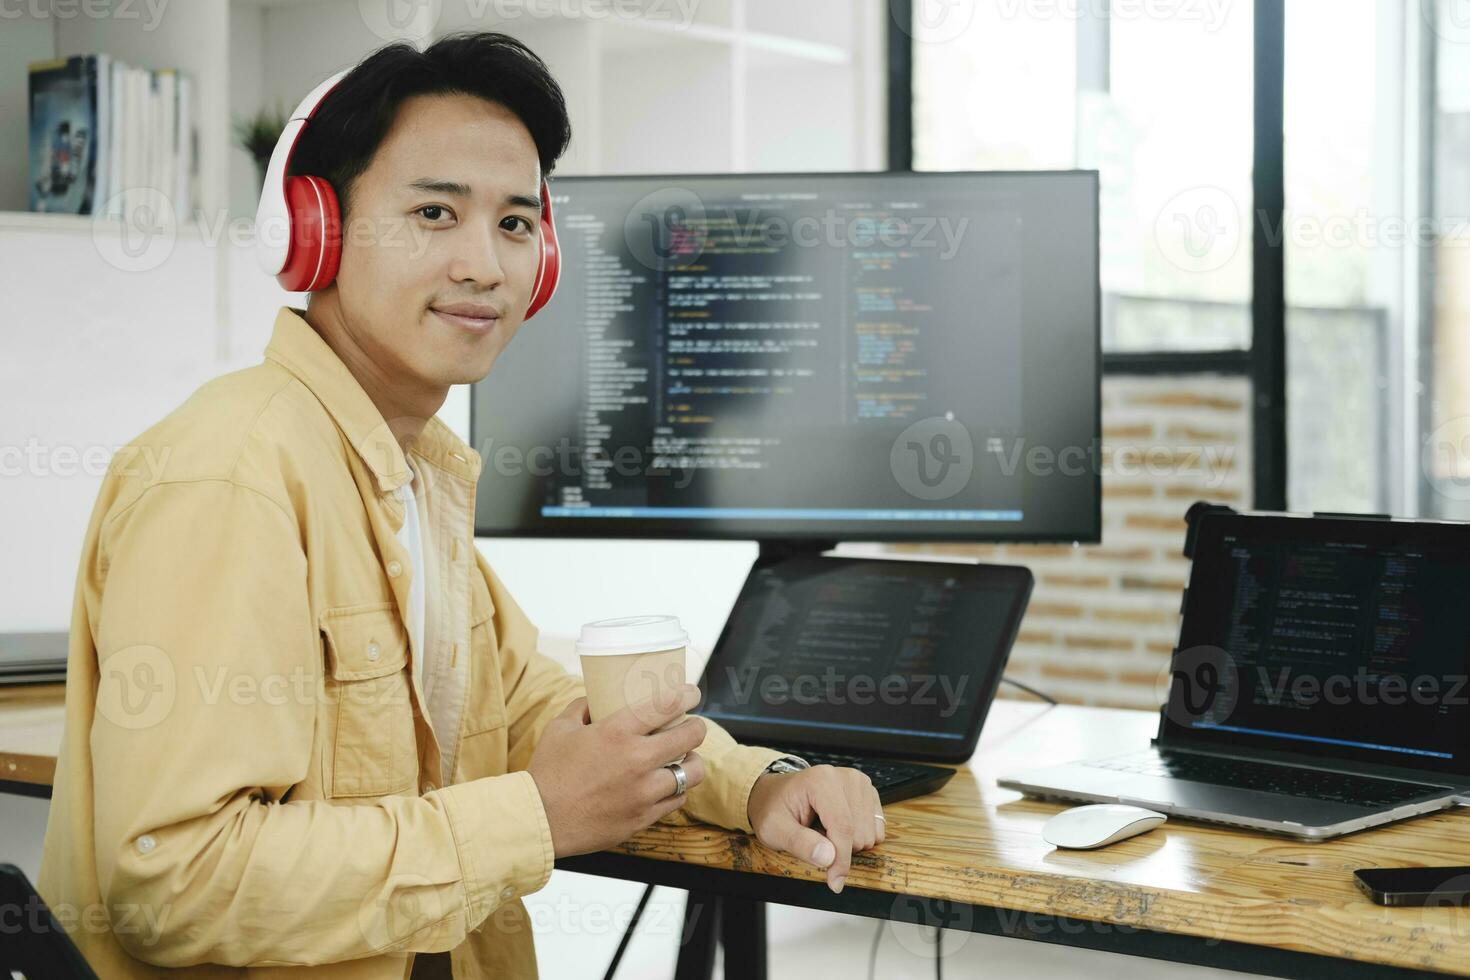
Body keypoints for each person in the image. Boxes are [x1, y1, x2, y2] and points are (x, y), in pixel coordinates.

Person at [38, 32, 883, 978]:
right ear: (315, 230)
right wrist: (532, 817)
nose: (486, 264)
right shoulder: (232, 476)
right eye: (435, 212)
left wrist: (757, 783)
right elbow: (174, 885)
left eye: (516, 225)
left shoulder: (410, 473)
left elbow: (533, 706)